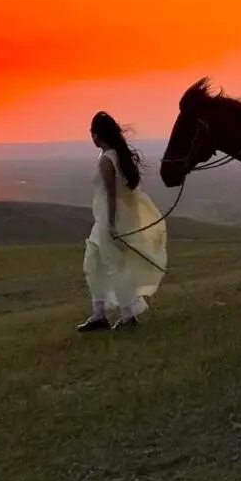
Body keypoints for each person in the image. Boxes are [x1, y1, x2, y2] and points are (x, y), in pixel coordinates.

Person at [78, 111, 167, 333]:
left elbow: (111, 194)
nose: (92, 138)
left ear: (98, 135)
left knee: (110, 266)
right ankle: (101, 315)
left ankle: (125, 317)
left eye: (93, 133)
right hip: (109, 220)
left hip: (108, 222)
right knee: (96, 263)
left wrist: (110, 225)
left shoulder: (108, 159)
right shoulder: (118, 156)